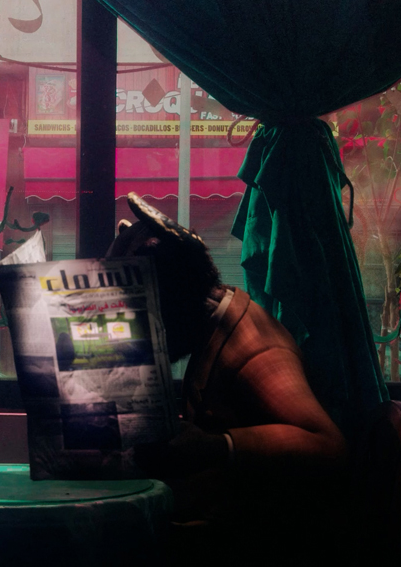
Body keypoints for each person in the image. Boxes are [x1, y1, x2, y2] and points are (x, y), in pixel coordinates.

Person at [108, 193, 349, 565]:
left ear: (170, 300)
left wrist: (215, 445)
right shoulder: (212, 328)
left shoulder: (254, 349)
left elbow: (326, 444)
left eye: (145, 318)